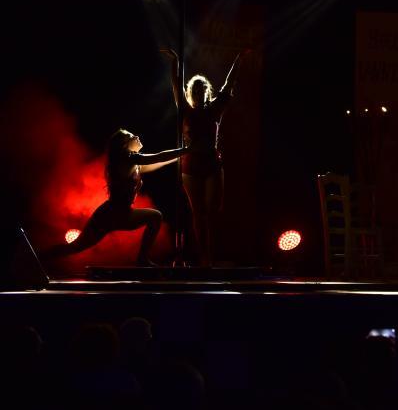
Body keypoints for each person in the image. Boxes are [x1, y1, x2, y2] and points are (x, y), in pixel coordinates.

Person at [43, 130, 189, 266]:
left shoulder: (134, 163)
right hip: (112, 213)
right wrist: (185, 150)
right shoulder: (127, 158)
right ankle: (39, 256)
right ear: (125, 144)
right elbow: (158, 157)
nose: (137, 137)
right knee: (76, 247)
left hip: (120, 213)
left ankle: (142, 258)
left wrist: (179, 155)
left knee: (155, 217)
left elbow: (158, 161)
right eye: (131, 136)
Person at [160, 47, 249, 266]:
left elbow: (229, 84)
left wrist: (238, 59)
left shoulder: (215, 108)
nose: (199, 93)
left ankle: (213, 255)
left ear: (207, 92)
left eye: (202, 90)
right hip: (191, 166)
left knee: (212, 211)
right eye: (195, 90)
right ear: (191, 93)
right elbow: (176, 85)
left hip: (211, 164)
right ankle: (204, 257)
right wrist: (175, 62)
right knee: (198, 213)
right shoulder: (185, 110)